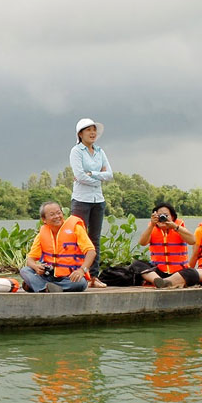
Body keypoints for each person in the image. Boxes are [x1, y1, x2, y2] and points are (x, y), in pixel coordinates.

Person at [70, 118, 113, 288]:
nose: (93, 133)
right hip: (81, 200)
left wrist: (92, 174)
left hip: (98, 200)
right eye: (88, 130)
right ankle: (78, 275)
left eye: (94, 130)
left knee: (94, 239)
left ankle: (94, 277)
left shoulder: (100, 151)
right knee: (79, 239)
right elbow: (79, 175)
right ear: (80, 134)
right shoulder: (76, 151)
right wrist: (98, 176)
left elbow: (109, 174)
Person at [137, 202, 202, 288]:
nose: (162, 218)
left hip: (179, 272)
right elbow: (142, 243)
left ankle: (166, 282)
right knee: (138, 264)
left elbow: (192, 241)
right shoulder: (152, 228)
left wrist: (175, 227)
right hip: (158, 271)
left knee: (191, 272)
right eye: (159, 215)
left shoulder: (179, 227)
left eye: (165, 215)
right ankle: (158, 280)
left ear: (172, 217)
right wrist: (152, 225)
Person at [20, 201, 97, 293]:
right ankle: (44, 288)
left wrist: (81, 270)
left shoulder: (75, 228)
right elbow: (30, 260)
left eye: (59, 213)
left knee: (80, 283)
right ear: (44, 219)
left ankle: (40, 286)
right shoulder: (41, 235)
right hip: (48, 275)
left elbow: (91, 252)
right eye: (52, 214)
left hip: (69, 277)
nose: (57, 216)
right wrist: (36, 267)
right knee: (25, 270)